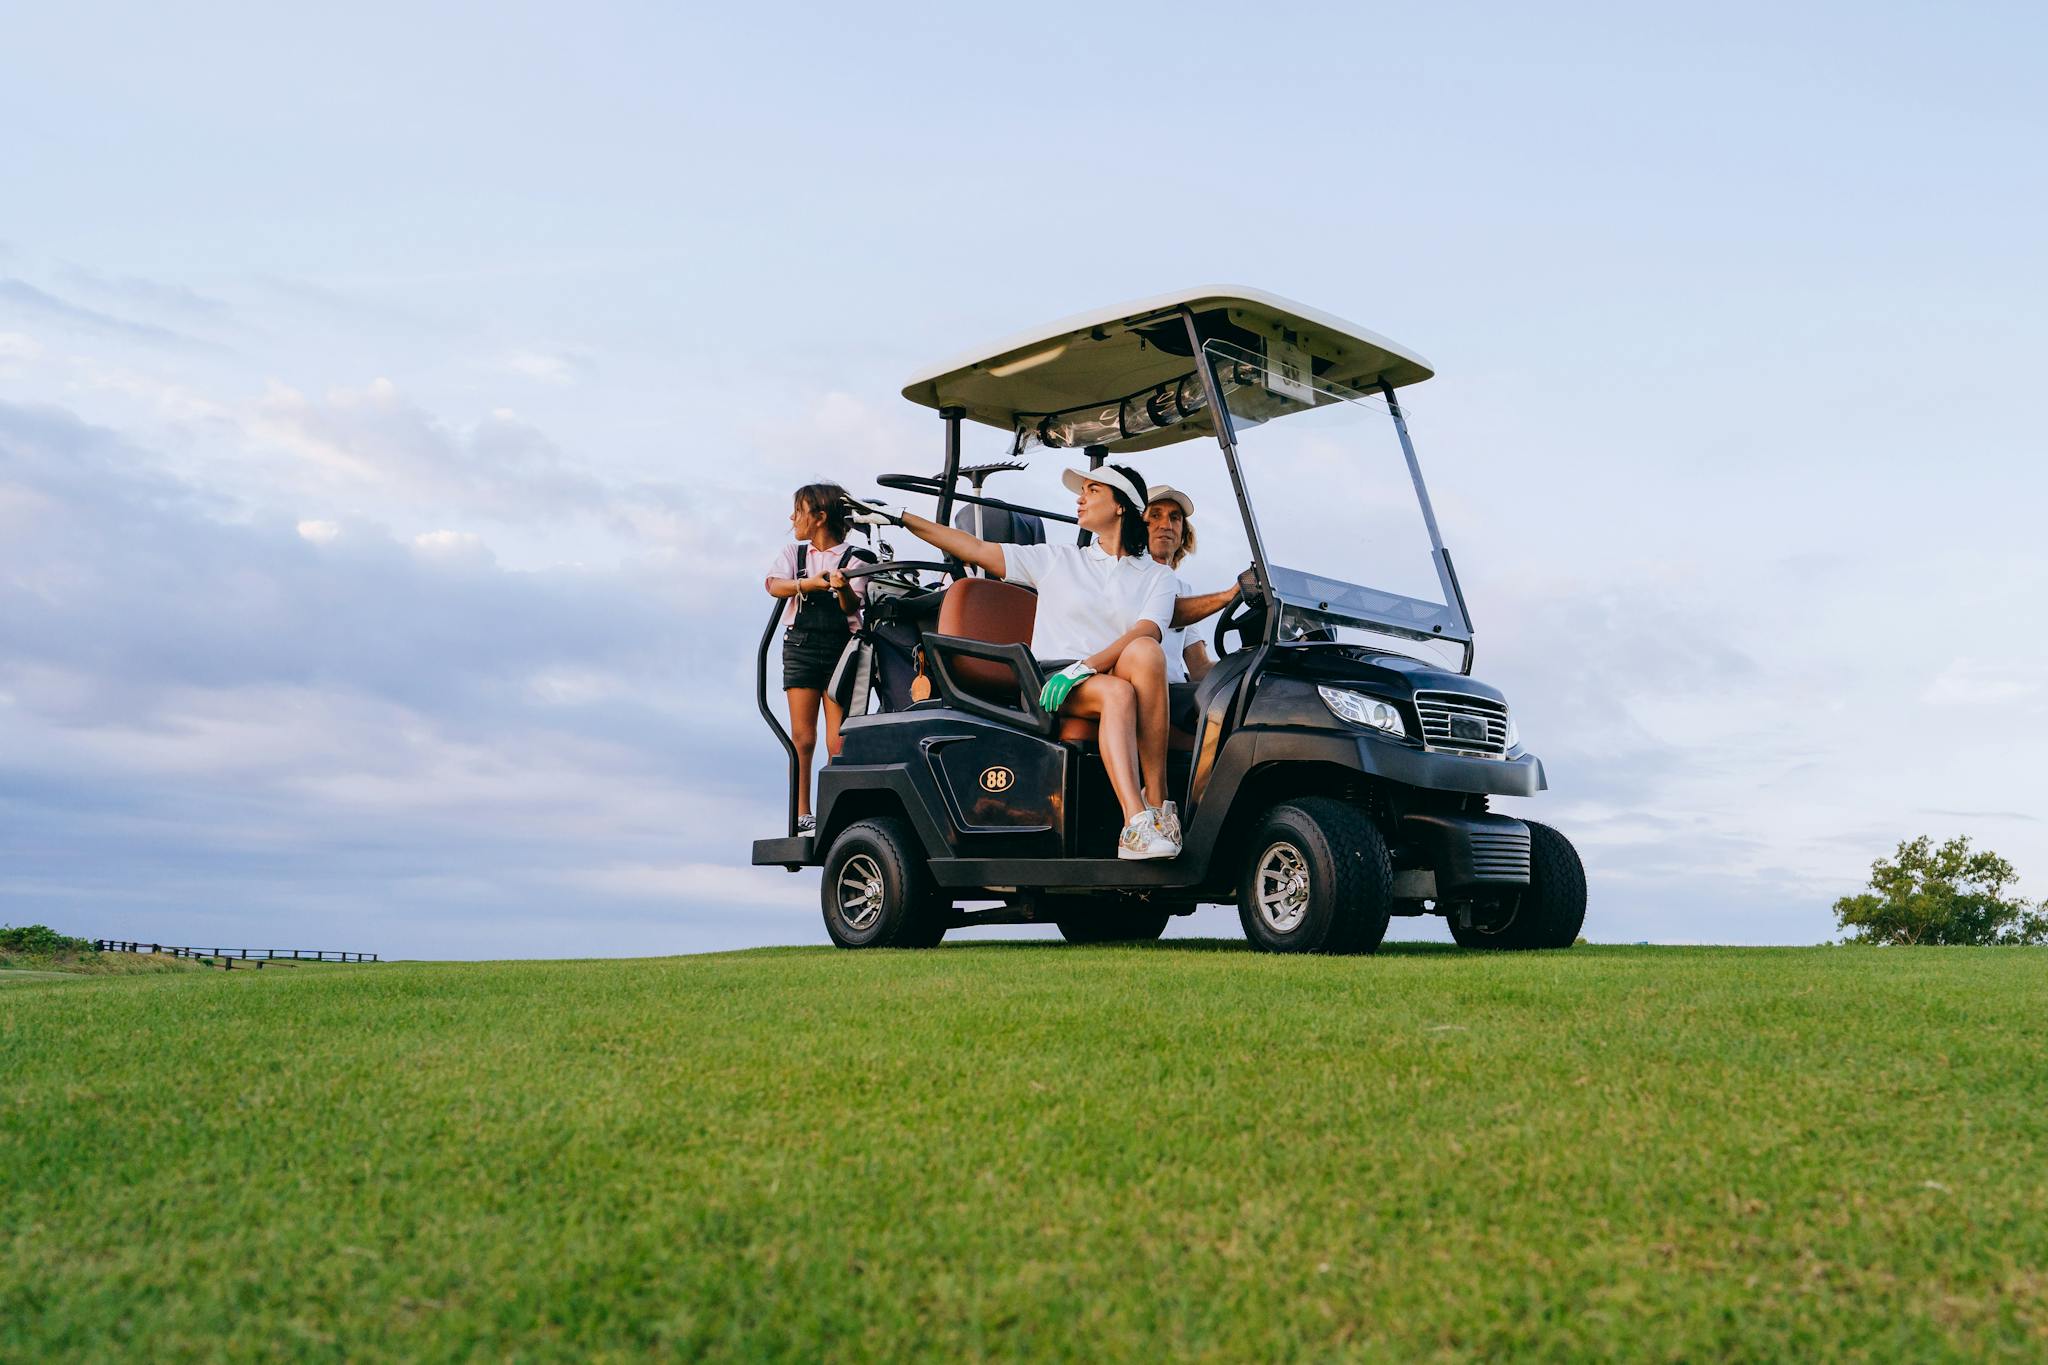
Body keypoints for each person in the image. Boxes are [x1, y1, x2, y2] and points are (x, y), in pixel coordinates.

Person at [844, 463, 1182, 860]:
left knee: (1145, 652)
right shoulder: (1058, 559)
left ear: (1121, 505)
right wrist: (899, 519)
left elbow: (1147, 630)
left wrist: (1086, 667)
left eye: (1092, 490)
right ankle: (1135, 823)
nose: (1080, 498)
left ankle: (1158, 802)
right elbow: (973, 548)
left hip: (1095, 672)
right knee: (1119, 694)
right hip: (1052, 680)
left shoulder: (1157, 576)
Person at [765, 483, 874, 833]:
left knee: (837, 738)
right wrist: (807, 585)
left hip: (842, 646)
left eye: (798, 512)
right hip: (801, 646)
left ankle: (833, 808)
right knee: (803, 736)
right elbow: (772, 585)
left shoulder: (855, 559)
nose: (792, 518)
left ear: (820, 517)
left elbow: (852, 606)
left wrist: (841, 587)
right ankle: (801, 811)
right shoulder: (795, 556)